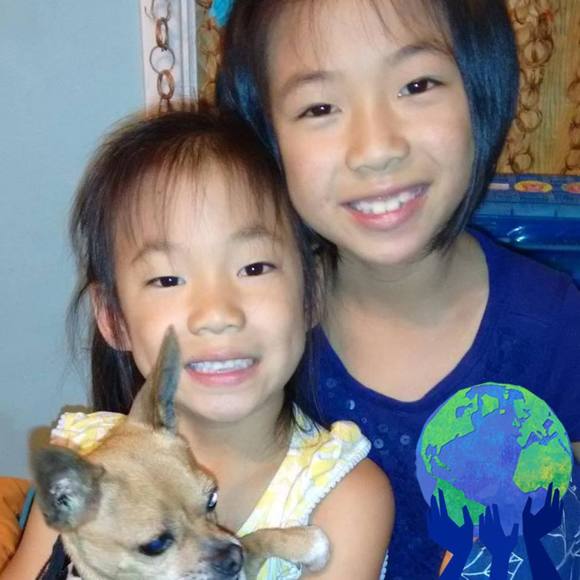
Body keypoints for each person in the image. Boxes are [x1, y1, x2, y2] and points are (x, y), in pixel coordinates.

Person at [217, 0, 580, 577]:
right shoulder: (252, 337)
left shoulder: (558, 329)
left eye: (416, 85)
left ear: (481, 90)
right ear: (266, 139)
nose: (377, 149)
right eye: (319, 107)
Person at [2, 106, 393, 579]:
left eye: (253, 268)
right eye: (168, 279)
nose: (216, 314)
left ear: (312, 292)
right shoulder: (87, 460)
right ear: (113, 318)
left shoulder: (343, 496)